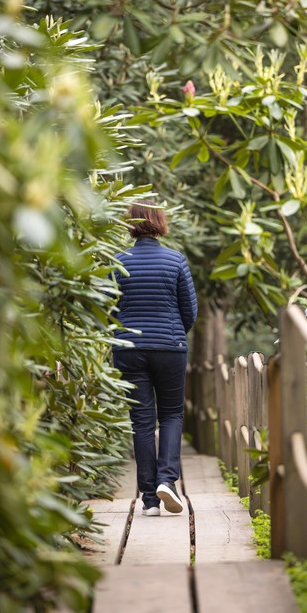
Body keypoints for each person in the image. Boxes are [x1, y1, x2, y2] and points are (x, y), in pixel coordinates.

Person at [112, 201, 198, 516]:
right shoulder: (176, 261)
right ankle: (167, 481)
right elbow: (189, 312)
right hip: (170, 348)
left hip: (129, 350)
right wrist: (172, 333)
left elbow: (109, 310)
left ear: (131, 223)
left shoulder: (118, 261)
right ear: (160, 222)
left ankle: (149, 500)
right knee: (172, 415)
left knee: (142, 422)